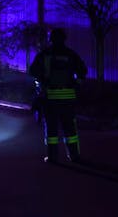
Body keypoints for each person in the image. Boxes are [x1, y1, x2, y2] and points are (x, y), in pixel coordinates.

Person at [28, 27, 87, 164]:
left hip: (50, 98)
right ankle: (74, 156)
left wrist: (42, 82)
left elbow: (33, 71)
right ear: (64, 39)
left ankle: (52, 157)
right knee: (70, 129)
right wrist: (76, 84)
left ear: (51, 39)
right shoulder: (71, 54)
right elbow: (83, 71)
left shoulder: (44, 54)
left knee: (51, 129)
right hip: (68, 99)